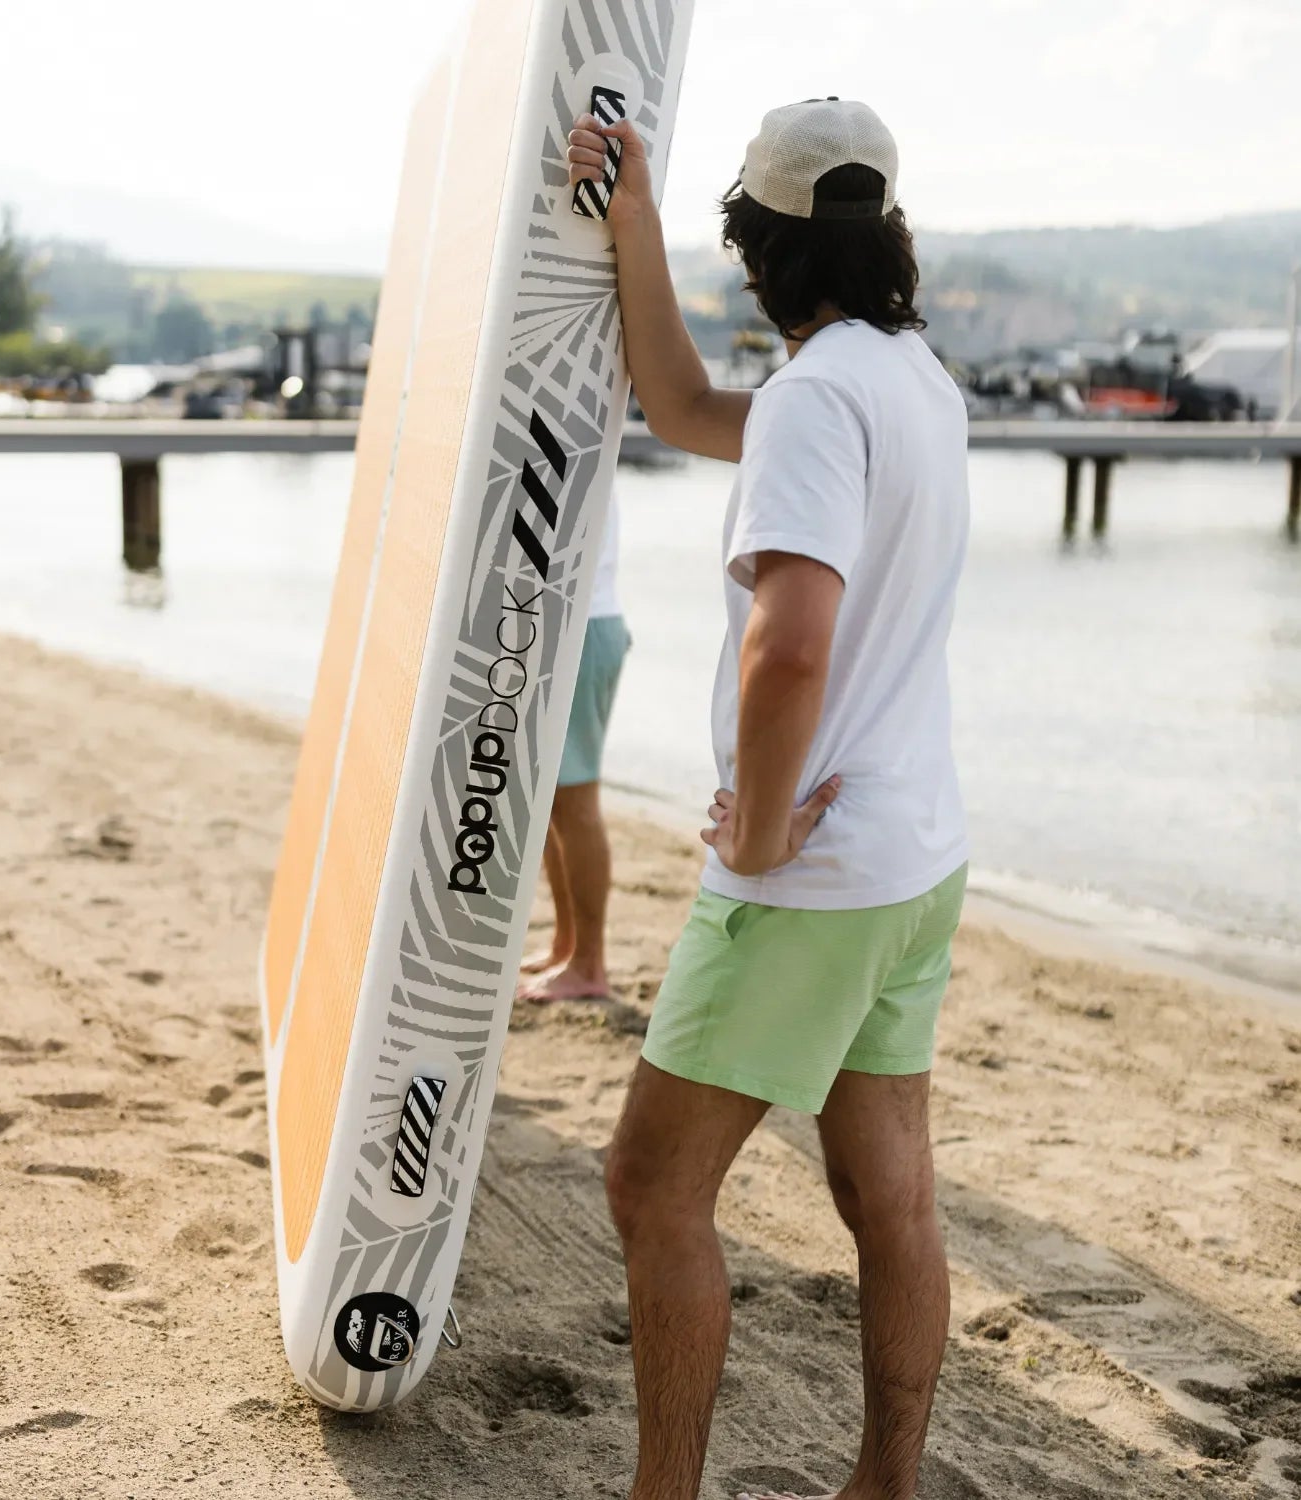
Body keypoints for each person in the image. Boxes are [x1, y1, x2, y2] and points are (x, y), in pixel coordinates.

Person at [566, 99, 971, 1500]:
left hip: (812, 876)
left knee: (650, 1187)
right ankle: (885, 1484)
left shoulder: (814, 397)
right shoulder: (913, 376)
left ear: (762, 249)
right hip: (920, 857)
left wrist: (753, 826)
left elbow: (789, 639)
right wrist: (630, 224)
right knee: (890, 1196)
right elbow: (680, 408)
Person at [519, 500, 631, 1003]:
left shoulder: (575, 425)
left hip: (580, 624)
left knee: (574, 803)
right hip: (557, 621)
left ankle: (589, 964)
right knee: (548, 802)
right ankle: (567, 946)